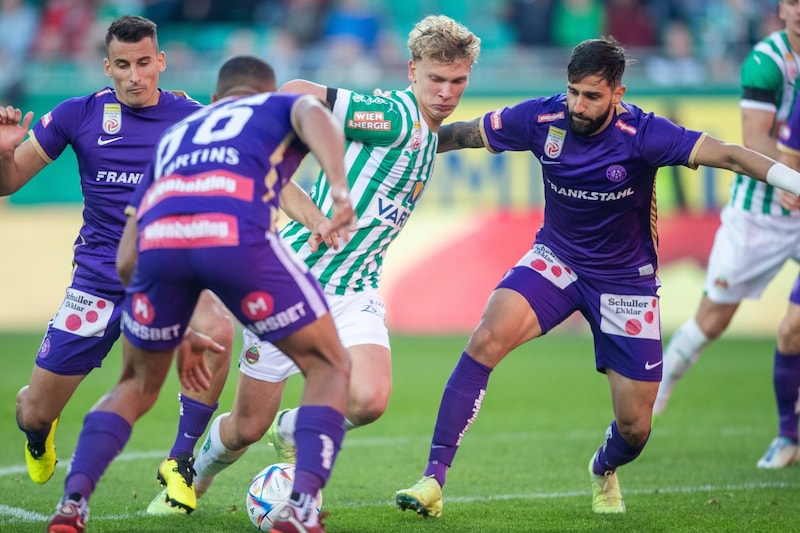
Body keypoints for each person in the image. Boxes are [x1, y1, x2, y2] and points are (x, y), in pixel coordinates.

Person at [393, 36, 800, 518]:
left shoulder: (644, 133)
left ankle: (603, 467)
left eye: (591, 96)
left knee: (635, 428)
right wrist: (400, 141)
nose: (578, 106)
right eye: (572, 92)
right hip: (557, 260)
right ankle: (432, 480)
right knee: (485, 338)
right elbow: (463, 135)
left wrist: (792, 181)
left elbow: (731, 155)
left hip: (626, 281)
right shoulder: (541, 117)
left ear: (618, 93)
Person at [44, 54, 356, 533]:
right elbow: (312, 112)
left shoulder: (173, 137)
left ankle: (72, 504)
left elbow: (127, 255)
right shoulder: (272, 108)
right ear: (266, 93)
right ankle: (299, 507)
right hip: (235, 235)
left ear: (213, 100)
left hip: (160, 251)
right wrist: (337, 189)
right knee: (329, 364)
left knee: (134, 384)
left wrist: (170, 323)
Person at [182, 14, 481, 506]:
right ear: (411, 71)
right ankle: (193, 478)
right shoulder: (394, 117)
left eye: (458, 81)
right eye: (436, 79)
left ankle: (295, 428)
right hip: (294, 283)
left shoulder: (427, 131)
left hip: (355, 288)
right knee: (244, 429)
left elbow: (446, 137)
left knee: (369, 399)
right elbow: (301, 88)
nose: (446, 92)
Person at [0, 14, 235, 505]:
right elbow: (8, 183)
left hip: (166, 272)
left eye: (144, 63)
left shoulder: (191, 117)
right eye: (123, 65)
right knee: (35, 409)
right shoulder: (76, 114)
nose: (135, 75)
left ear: (161, 62)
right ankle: (39, 432)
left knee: (216, 327)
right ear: (107, 67)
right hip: (98, 280)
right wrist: (4, 154)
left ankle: (181, 459)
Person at [655, 0, 800, 469]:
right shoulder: (767, 61)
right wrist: (788, 179)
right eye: (794, 1)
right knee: (709, 324)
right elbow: (754, 140)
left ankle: (787, 435)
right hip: (760, 212)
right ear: (781, 8)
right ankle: (655, 396)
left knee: (793, 328)